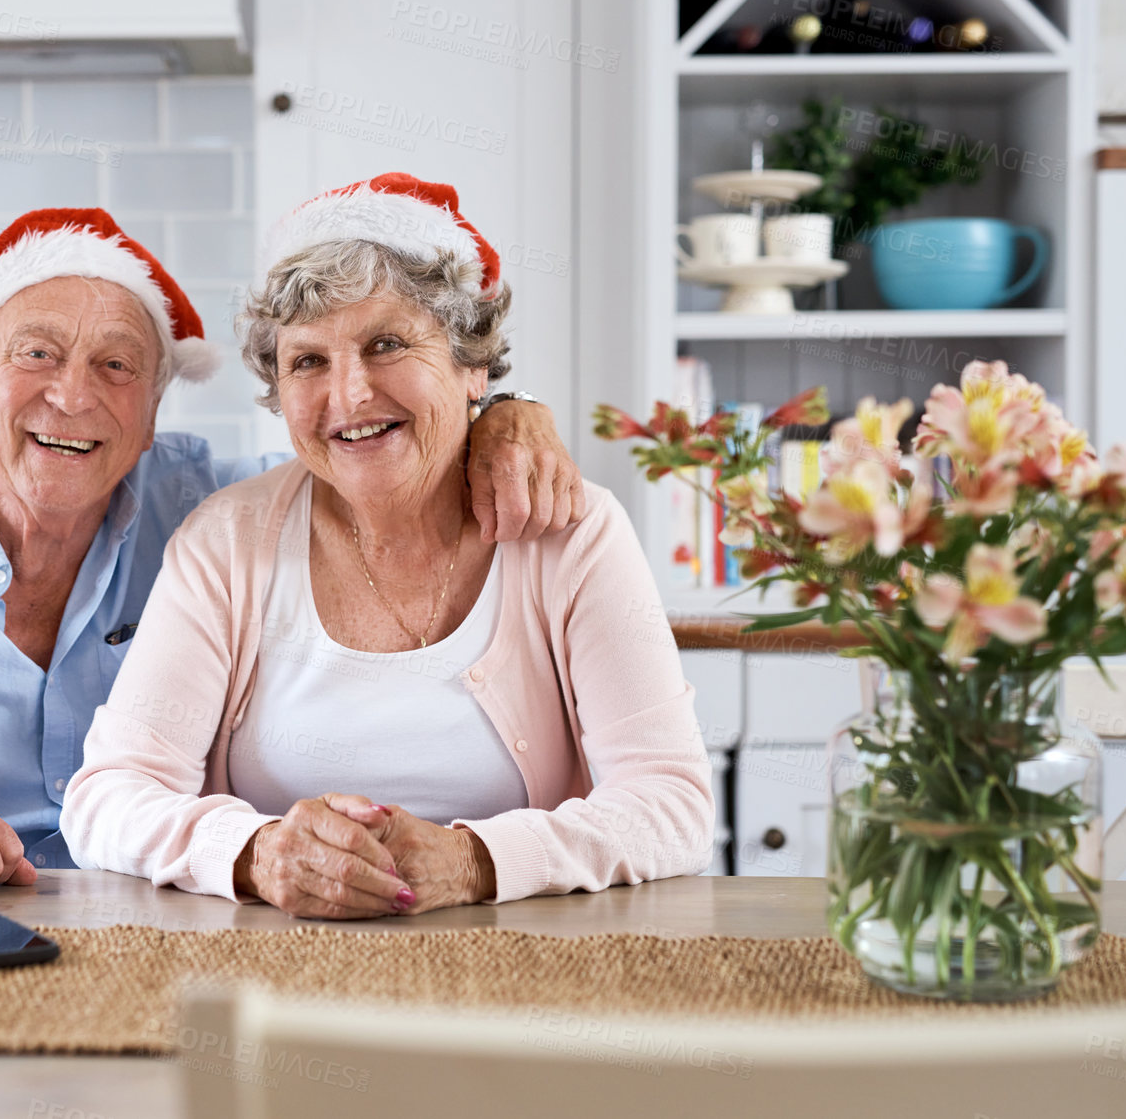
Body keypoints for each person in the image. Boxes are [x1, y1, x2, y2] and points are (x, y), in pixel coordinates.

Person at [0, 205, 587, 896]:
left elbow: (362, 431)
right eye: (34, 354)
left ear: (153, 411)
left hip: (150, 935)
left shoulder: (214, 510)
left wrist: (502, 412)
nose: (72, 397)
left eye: (116, 366)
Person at [60, 175, 714, 918]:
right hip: (273, 978)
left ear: (472, 368)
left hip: (521, 978)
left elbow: (673, 804)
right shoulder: (225, 541)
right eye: (308, 361)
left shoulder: (571, 533)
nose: (350, 395)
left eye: (387, 344)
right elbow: (106, 797)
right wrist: (257, 853)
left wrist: (475, 861)